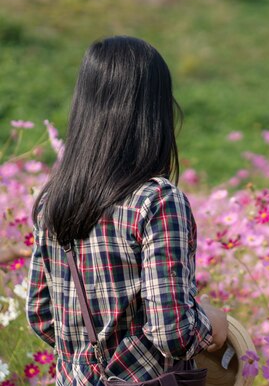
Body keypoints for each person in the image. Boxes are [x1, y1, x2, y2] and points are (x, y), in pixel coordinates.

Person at [26, 36, 228, 385]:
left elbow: (41, 316)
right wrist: (213, 322)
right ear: (155, 113)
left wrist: (85, 359)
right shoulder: (157, 200)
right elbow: (172, 334)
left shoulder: (51, 201)